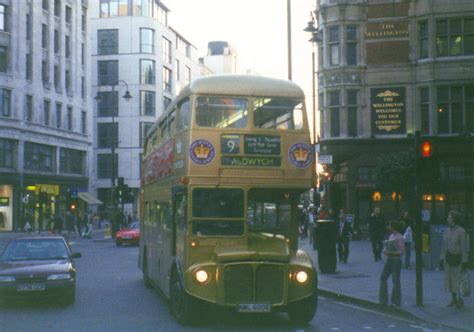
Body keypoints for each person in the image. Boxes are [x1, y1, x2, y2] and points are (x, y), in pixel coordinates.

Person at [440, 211, 469, 309]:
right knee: (450, 279)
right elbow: (444, 246)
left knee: (458, 279)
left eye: (449, 217)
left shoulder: (461, 231)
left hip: (458, 258)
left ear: (454, 219)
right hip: (448, 258)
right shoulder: (447, 231)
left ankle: (459, 299)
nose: (447, 218)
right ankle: (453, 299)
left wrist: (465, 260)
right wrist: (441, 258)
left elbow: (464, 247)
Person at [379, 220, 405, 307]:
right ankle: (383, 300)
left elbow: (401, 252)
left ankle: (395, 301)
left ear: (393, 227)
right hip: (389, 259)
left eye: (390, 226)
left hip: (396, 260)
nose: (388, 227)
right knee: (383, 277)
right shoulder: (391, 236)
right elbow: (386, 247)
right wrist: (385, 250)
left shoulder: (400, 237)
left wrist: (390, 253)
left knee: (395, 280)